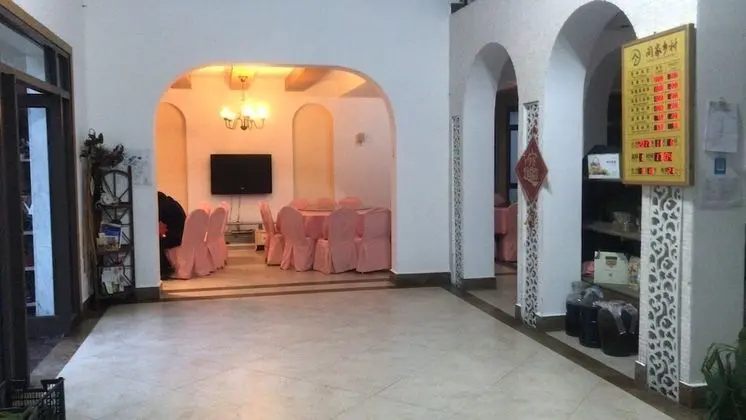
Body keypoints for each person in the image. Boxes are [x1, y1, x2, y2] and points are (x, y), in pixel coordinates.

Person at [157, 191, 186, 279]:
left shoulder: (163, 206)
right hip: (183, 235)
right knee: (159, 241)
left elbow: (155, 220)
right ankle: (167, 267)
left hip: (177, 237)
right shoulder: (171, 203)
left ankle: (164, 270)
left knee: (157, 244)